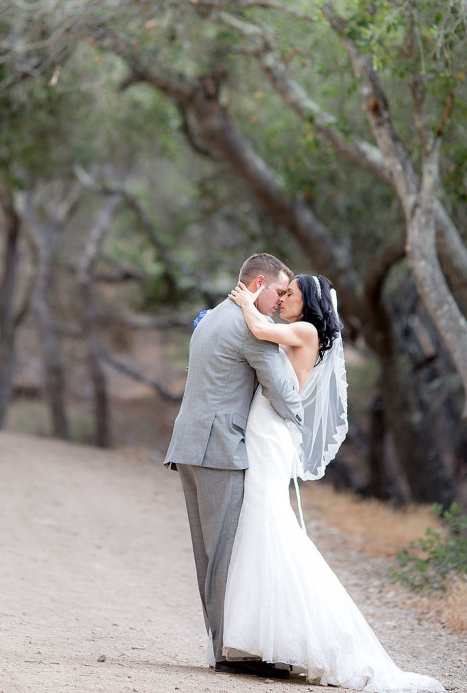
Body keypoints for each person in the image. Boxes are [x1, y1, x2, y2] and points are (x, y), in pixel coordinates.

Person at [223, 274, 446, 692]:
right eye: (283, 293)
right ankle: (267, 634)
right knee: (263, 519)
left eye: (290, 294)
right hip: (265, 426)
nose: (284, 298)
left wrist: (245, 300)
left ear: (308, 302)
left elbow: (258, 329)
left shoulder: (304, 330)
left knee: (269, 519)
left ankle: (299, 634)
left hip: (271, 432)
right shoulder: (301, 330)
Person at [164, 253, 304, 677]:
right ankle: (230, 653)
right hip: (218, 449)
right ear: (258, 284)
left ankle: (221, 647)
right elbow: (284, 393)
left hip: (191, 444)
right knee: (224, 552)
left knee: (208, 554)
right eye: (280, 291)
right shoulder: (249, 327)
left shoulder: (212, 316)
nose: (281, 301)